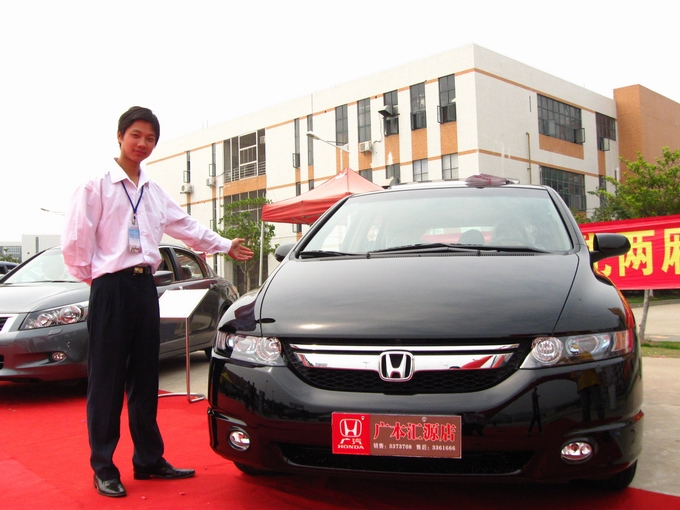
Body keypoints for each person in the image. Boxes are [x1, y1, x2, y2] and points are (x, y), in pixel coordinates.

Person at [61, 106, 254, 498]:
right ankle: (104, 467)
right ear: (120, 136)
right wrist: (100, 281)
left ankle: (148, 460)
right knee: (107, 382)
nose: (142, 144)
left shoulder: (152, 190)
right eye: (136, 135)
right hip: (111, 289)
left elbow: (185, 225)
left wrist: (223, 244)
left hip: (146, 289)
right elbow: (77, 241)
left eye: (150, 138)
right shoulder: (96, 185)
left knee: (146, 378)